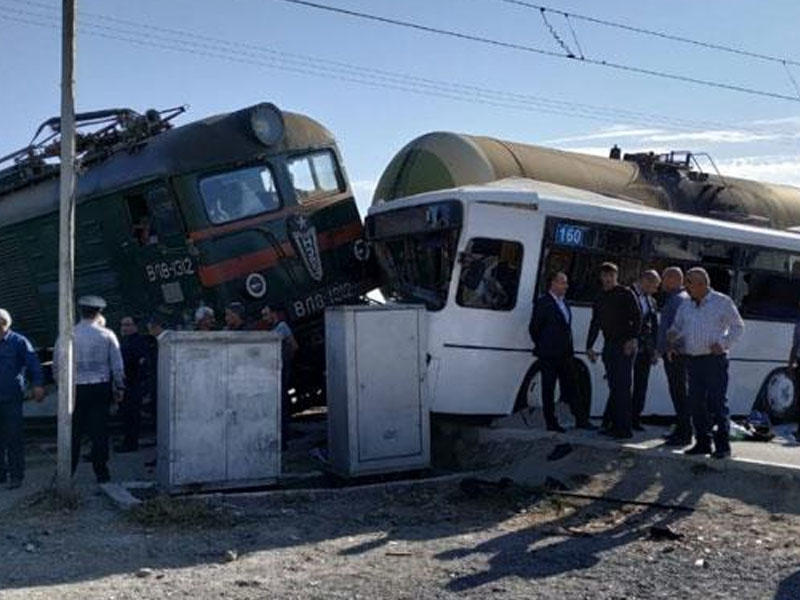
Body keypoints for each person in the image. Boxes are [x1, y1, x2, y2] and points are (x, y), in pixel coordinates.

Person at [668, 267, 744, 459]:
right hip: (693, 360)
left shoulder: (721, 302)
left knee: (717, 403)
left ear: (702, 284)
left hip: (714, 360)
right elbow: (678, 327)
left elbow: (738, 326)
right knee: (696, 403)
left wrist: (724, 343)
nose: (686, 286)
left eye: (689, 283)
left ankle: (722, 446)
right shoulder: (686, 305)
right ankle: (703, 443)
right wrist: (673, 337)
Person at [54, 296, 125, 483]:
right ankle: (102, 473)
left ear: (80, 311)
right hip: (100, 387)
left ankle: (67, 473)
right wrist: (119, 387)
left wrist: (61, 387)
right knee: (99, 431)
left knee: (73, 431)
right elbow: (117, 365)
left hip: (75, 389)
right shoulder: (107, 334)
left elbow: (57, 365)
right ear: (99, 312)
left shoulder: (67, 335)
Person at [528, 271, 593, 432]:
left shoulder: (564, 303)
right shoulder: (544, 303)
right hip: (549, 354)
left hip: (565, 353)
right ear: (553, 283)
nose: (566, 286)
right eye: (563, 282)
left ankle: (581, 419)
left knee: (572, 386)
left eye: (566, 283)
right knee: (548, 388)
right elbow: (535, 328)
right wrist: (544, 344)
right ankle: (551, 422)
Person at [586, 262, 642, 439]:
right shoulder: (599, 297)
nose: (608, 279)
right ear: (601, 277)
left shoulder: (625, 293)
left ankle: (624, 429)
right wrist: (589, 346)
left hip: (625, 345)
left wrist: (632, 339)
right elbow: (595, 322)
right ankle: (613, 425)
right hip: (609, 345)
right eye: (605, 275)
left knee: (623, 387)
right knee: (614, 386)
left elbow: (638, 317)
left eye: (611, 275)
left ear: (616, 276)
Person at [0, 308, 44, 489]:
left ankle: (16, 475)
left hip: (11, 398)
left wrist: (38, 385)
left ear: (3, 323)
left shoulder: (18, 342)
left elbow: (33, 364)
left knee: (14, 437)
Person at [657, 267, 692, 446]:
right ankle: (681, 429)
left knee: (679, 393)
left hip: (676, 354)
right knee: (679, 392)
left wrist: (672, 347)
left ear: (673, 279)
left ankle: (684, 433)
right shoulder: (678, 299)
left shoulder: (678, 300)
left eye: (664, 278)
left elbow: (682, 328)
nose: (662, 283)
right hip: (676, 353)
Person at [254, 305, 299, 446]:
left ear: (273, 314)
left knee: (282, 402)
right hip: (274, 370)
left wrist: (285, 359)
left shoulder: (282, 327)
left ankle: (284, 436)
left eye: (266, 314)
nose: (264, 318)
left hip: (281, 369)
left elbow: (294, 345)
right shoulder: (272, 329)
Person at [630, 270, 661, 431]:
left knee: (641, 385)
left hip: (645, 349)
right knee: (624, 384)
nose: (656, 290)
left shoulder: (651, 301)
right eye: (654, 286)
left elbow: (654, 326)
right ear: (646, 281)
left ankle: (635, 418)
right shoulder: (628, 295)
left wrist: (655, 349)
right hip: (630, 347)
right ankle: (617, 418)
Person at [115, 316, 151, 453]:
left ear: (135, 326)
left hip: (133, 383)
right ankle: (128, 441)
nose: (124, 328)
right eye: (123, 325)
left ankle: (131, 443)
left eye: (128, 325)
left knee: (132, 415)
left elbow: (141, 363)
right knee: (126, 414)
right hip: (125, 383)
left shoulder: (138, 342)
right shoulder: (124, 342)